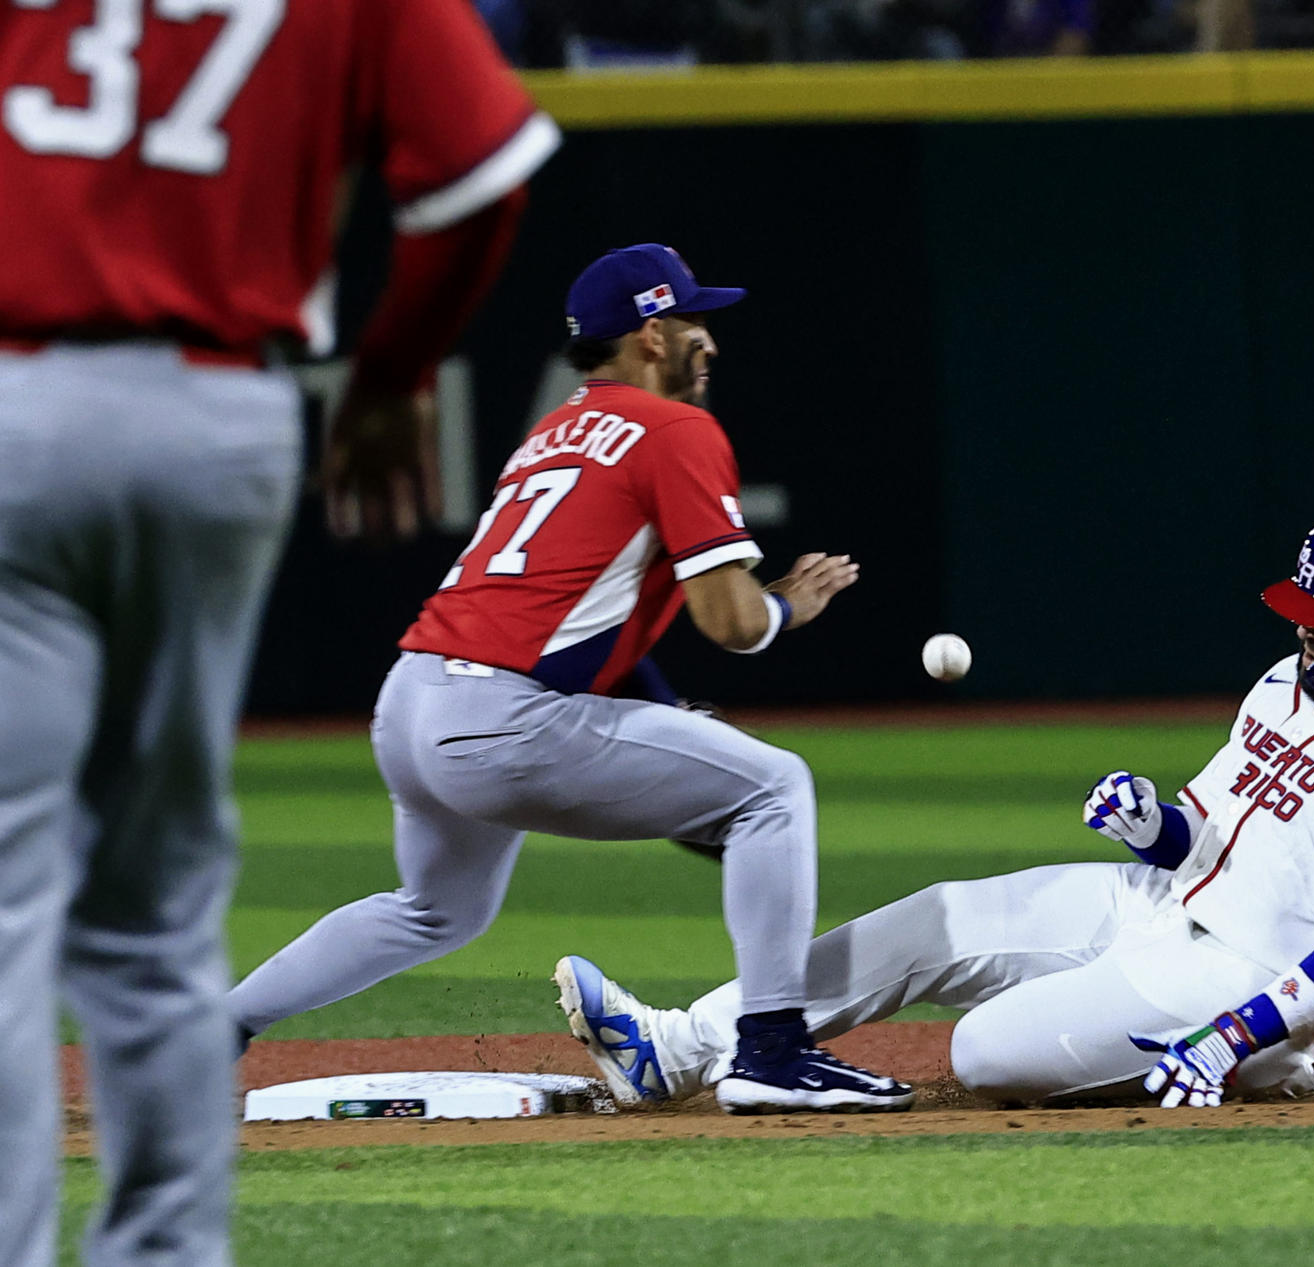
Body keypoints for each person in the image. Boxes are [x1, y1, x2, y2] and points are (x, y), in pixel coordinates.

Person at [0, 4, 555, 1263]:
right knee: (155, 899)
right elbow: (481, 179)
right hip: (212, 415)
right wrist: (393, 372)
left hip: (14, 397)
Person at [227, 244, 914, 1116]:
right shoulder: (677, 429)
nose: (711, 342)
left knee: (439, 910)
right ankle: (774, 1050)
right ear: (654, 333)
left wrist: (676, 735)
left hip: (409, 700)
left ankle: (214, 1027)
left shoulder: (552, 431)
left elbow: (594, 624)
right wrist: (787, 606)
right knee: (775, 786)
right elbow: (733, 623)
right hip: (499, 718)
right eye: (697, 322)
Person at [557, 508, 1314, 1107]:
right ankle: (676, 1049)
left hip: (1248, 979)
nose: (1300, 631)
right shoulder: (1288, 680)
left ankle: (1282, 1062)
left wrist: (1238, 1033)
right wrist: (1149, 825)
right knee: (935, 919)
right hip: (1156, 904)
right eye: (1298, 613)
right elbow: (1197, 831)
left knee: (984, 1052)